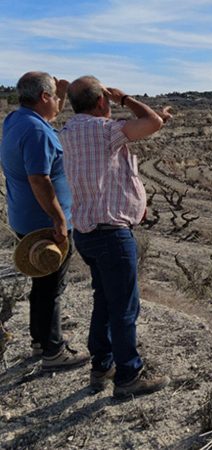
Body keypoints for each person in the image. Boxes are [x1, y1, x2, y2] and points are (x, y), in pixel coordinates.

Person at [60, 76, 172, 397]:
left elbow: (146, 126)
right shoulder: (105, 130)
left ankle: (102, 366)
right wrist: (125, 98)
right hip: (112, 235)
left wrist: (155, 117)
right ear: (100, 102)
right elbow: (150, 123)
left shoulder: (69, 132)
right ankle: (128, 377)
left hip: (86, 233)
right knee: (124, 307)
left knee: (104, 302)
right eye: (106, 98)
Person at [0, 71, 89, 370]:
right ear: (43, 97)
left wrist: (60, 92)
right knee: (51, 285)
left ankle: (40, 339)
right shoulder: (38, 132)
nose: (59, 103)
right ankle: (53, 351)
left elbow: (48, 115)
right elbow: (39, 179)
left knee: (41, 280)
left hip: (25, 217)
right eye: (54, 96)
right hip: (44, 222)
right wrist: (59, 220)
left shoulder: (17, 120)